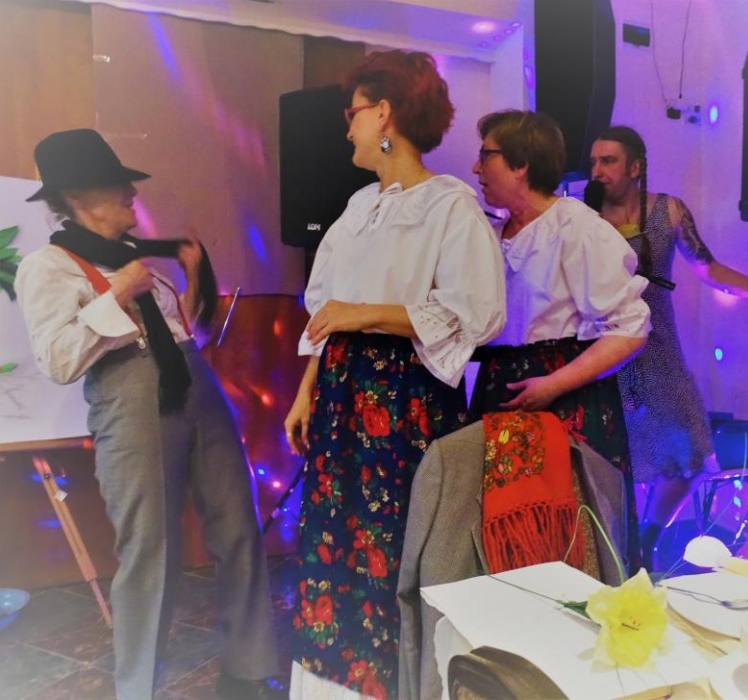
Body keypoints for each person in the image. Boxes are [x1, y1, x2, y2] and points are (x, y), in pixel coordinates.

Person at [14, 128, 283, 700]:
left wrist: (195, 277)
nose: (132, 194)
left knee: (239, 528)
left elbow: (185, 332)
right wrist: (116, 294)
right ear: (78, 195)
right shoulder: (48, 266)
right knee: (149, 553)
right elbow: (58, 359)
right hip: (131, 402)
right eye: (118, 185)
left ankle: (248, 671)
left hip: (196, 387)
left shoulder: (140, 261)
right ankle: (137, 689)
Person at [282, 50, 505, 700]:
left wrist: (365, 313)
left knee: (392, 541)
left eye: (352, 113)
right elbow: (326, 313)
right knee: (332, 535)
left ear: (384, 113)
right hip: (340, 392)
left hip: (401, 396)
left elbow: (476, 313)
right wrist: (306, 391)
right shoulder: (357, 206)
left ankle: (397, 682)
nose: (347, 127)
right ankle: (334, 679)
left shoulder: (449, 206)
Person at [588, 125, 748, 566]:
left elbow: (710, 270)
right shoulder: (582, 218)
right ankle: (611, 550)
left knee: (689, 453)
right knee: (608, 462)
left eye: (608, 161)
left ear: (635, 167)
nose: (597, 170)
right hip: (599, 353)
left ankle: (646, 541)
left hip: (657, 349)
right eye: (593, 161)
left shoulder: (669, 211)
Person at [468, 109, 651, 571]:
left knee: (567, 541)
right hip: (500, 392)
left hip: (563, 400)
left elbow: (630, 327)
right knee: (503, 539)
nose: (475, 167)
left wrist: (553, 385)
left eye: (486, 155)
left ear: (520, 164)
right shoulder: (491, 233)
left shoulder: (577, 228)